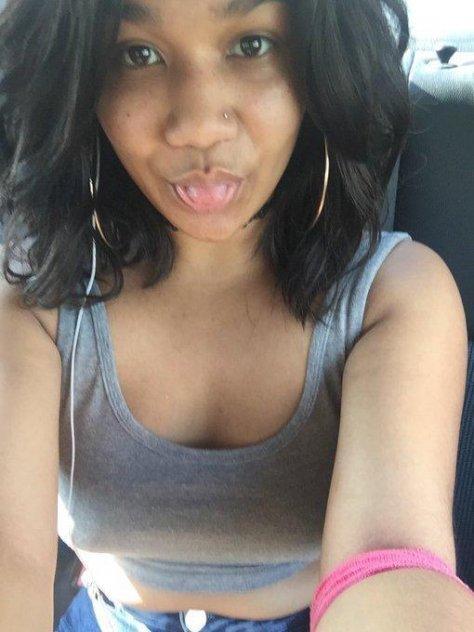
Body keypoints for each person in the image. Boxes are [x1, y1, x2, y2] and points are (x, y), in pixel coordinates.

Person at [1, 1, 453, 631]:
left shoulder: (392, 295)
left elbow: (392, 558)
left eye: (251, 45)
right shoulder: (34, 290)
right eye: (137, 54)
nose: (197, 127)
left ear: (320, 64)